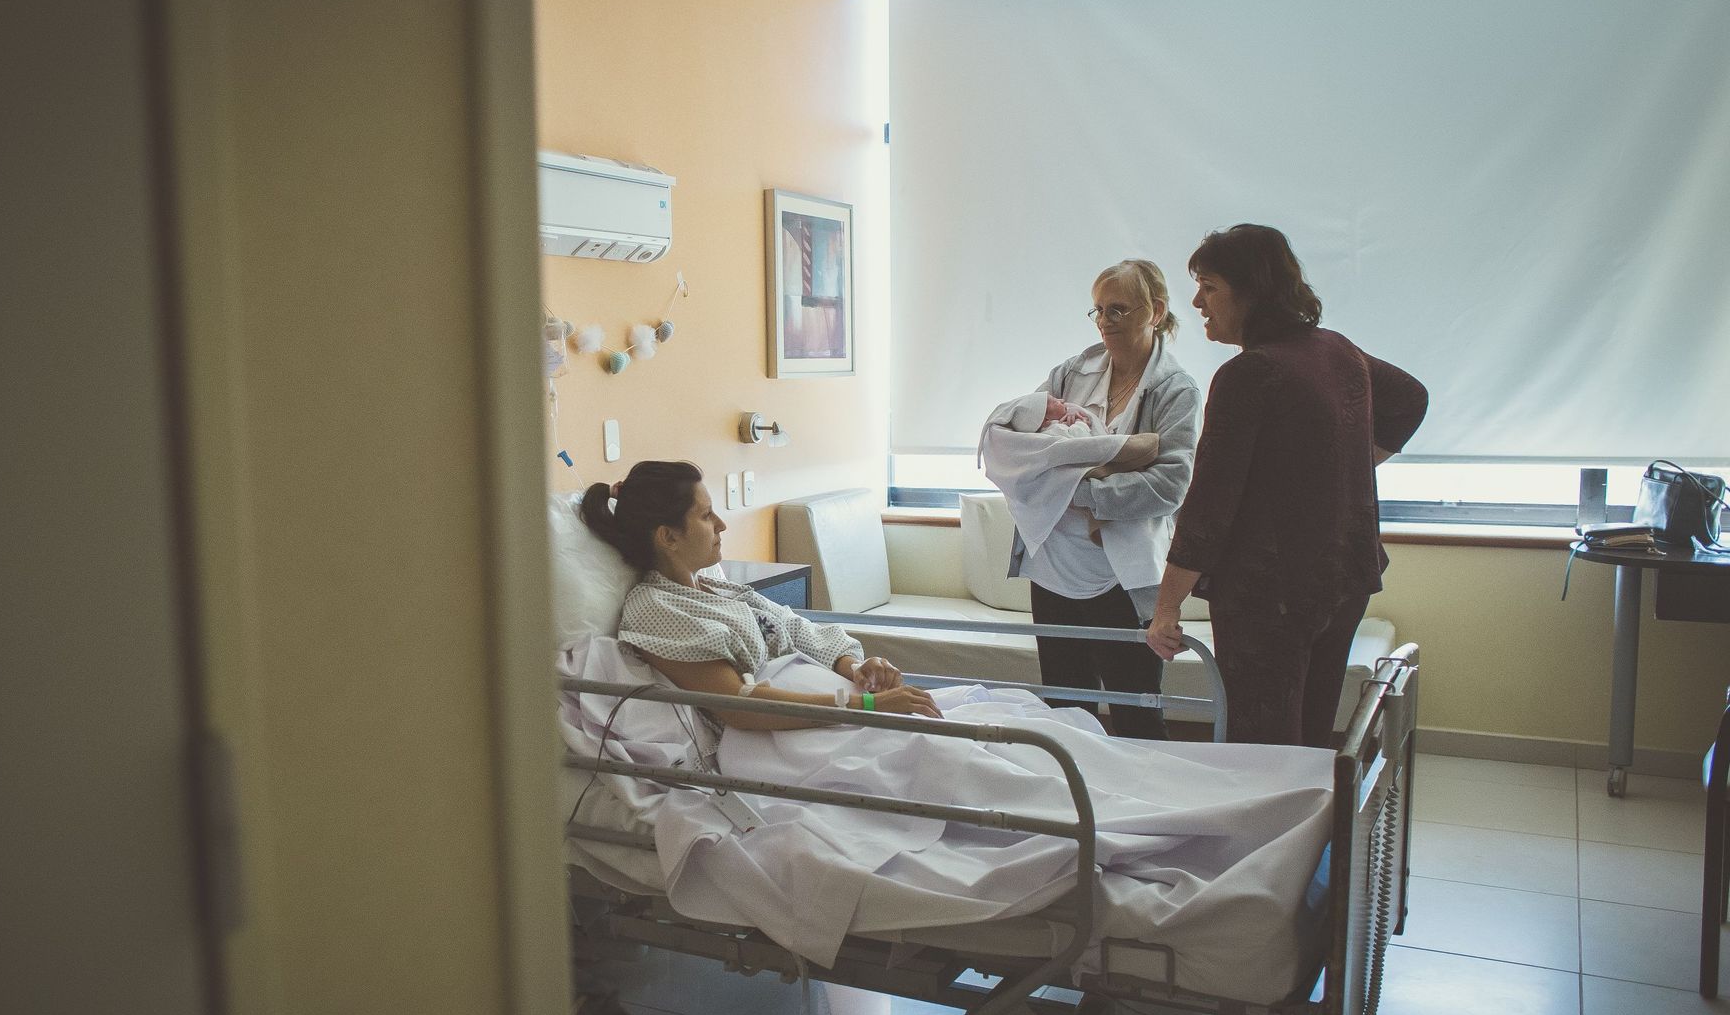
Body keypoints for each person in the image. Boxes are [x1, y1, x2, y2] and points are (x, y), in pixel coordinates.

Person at [1146, 224, 1429, 747]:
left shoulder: (1249, 376)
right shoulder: (1336, 351)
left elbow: (1209, 508)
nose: (1197, 302)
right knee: (1311, 736)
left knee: (1263, 747)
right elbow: (1410, 398)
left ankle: (1273, 826)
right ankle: (1316, 826)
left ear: (1250, 291)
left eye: (1209, 287)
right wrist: (1352, 465)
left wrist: (1166, 608)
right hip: (1343, 581)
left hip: (1269, 600)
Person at [991, 259, 1200, 739]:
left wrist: (1079, 490)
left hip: (1123, 580)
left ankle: (1141, 808)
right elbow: (1019, 449)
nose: (1105, 321)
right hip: (1053, 565)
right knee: (1064, 709)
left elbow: (1170, 484)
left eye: (1119, 310)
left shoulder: (1176, 390)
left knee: (1137, 712)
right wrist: (1115, 461)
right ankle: (1073, 808)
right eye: (1099, 310)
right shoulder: (1071, 373)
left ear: (1157, 311)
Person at [581, 460, 942, 727]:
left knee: (966, 725)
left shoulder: (720, 589)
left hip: (835, 716)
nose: (721, 524)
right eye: (707, 516)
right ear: (668, 537)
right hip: (778, 741)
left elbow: (798, 629)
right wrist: (865, 707)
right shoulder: (655, 609)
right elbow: (741, 705)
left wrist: (859, 670)